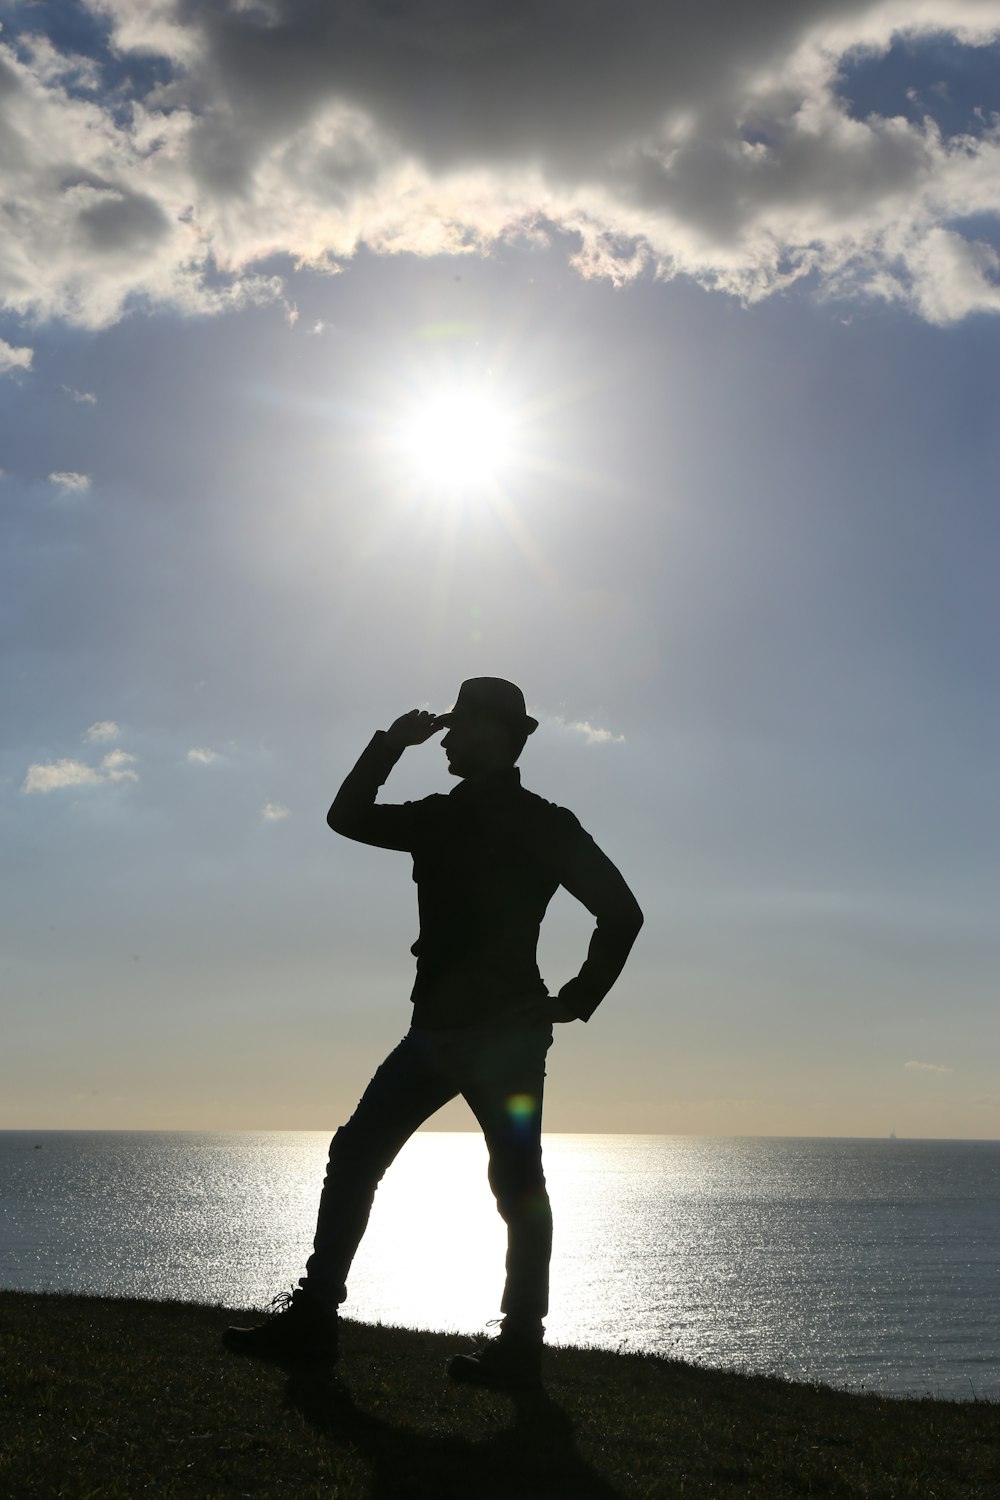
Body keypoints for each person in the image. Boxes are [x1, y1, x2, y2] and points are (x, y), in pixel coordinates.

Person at [224, 677, 643, 1388]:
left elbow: (621, 912)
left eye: (460, 729)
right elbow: (346, 816)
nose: (445, 740)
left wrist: (576, 999)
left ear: (500, 737)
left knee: (511, 1184)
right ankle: (319, 1321)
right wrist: (390, 744)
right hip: (442, 1031)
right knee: (365, 1155)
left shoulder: (541, 822)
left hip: (500, 1034)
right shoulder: (444, 817)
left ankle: (513, 1347)